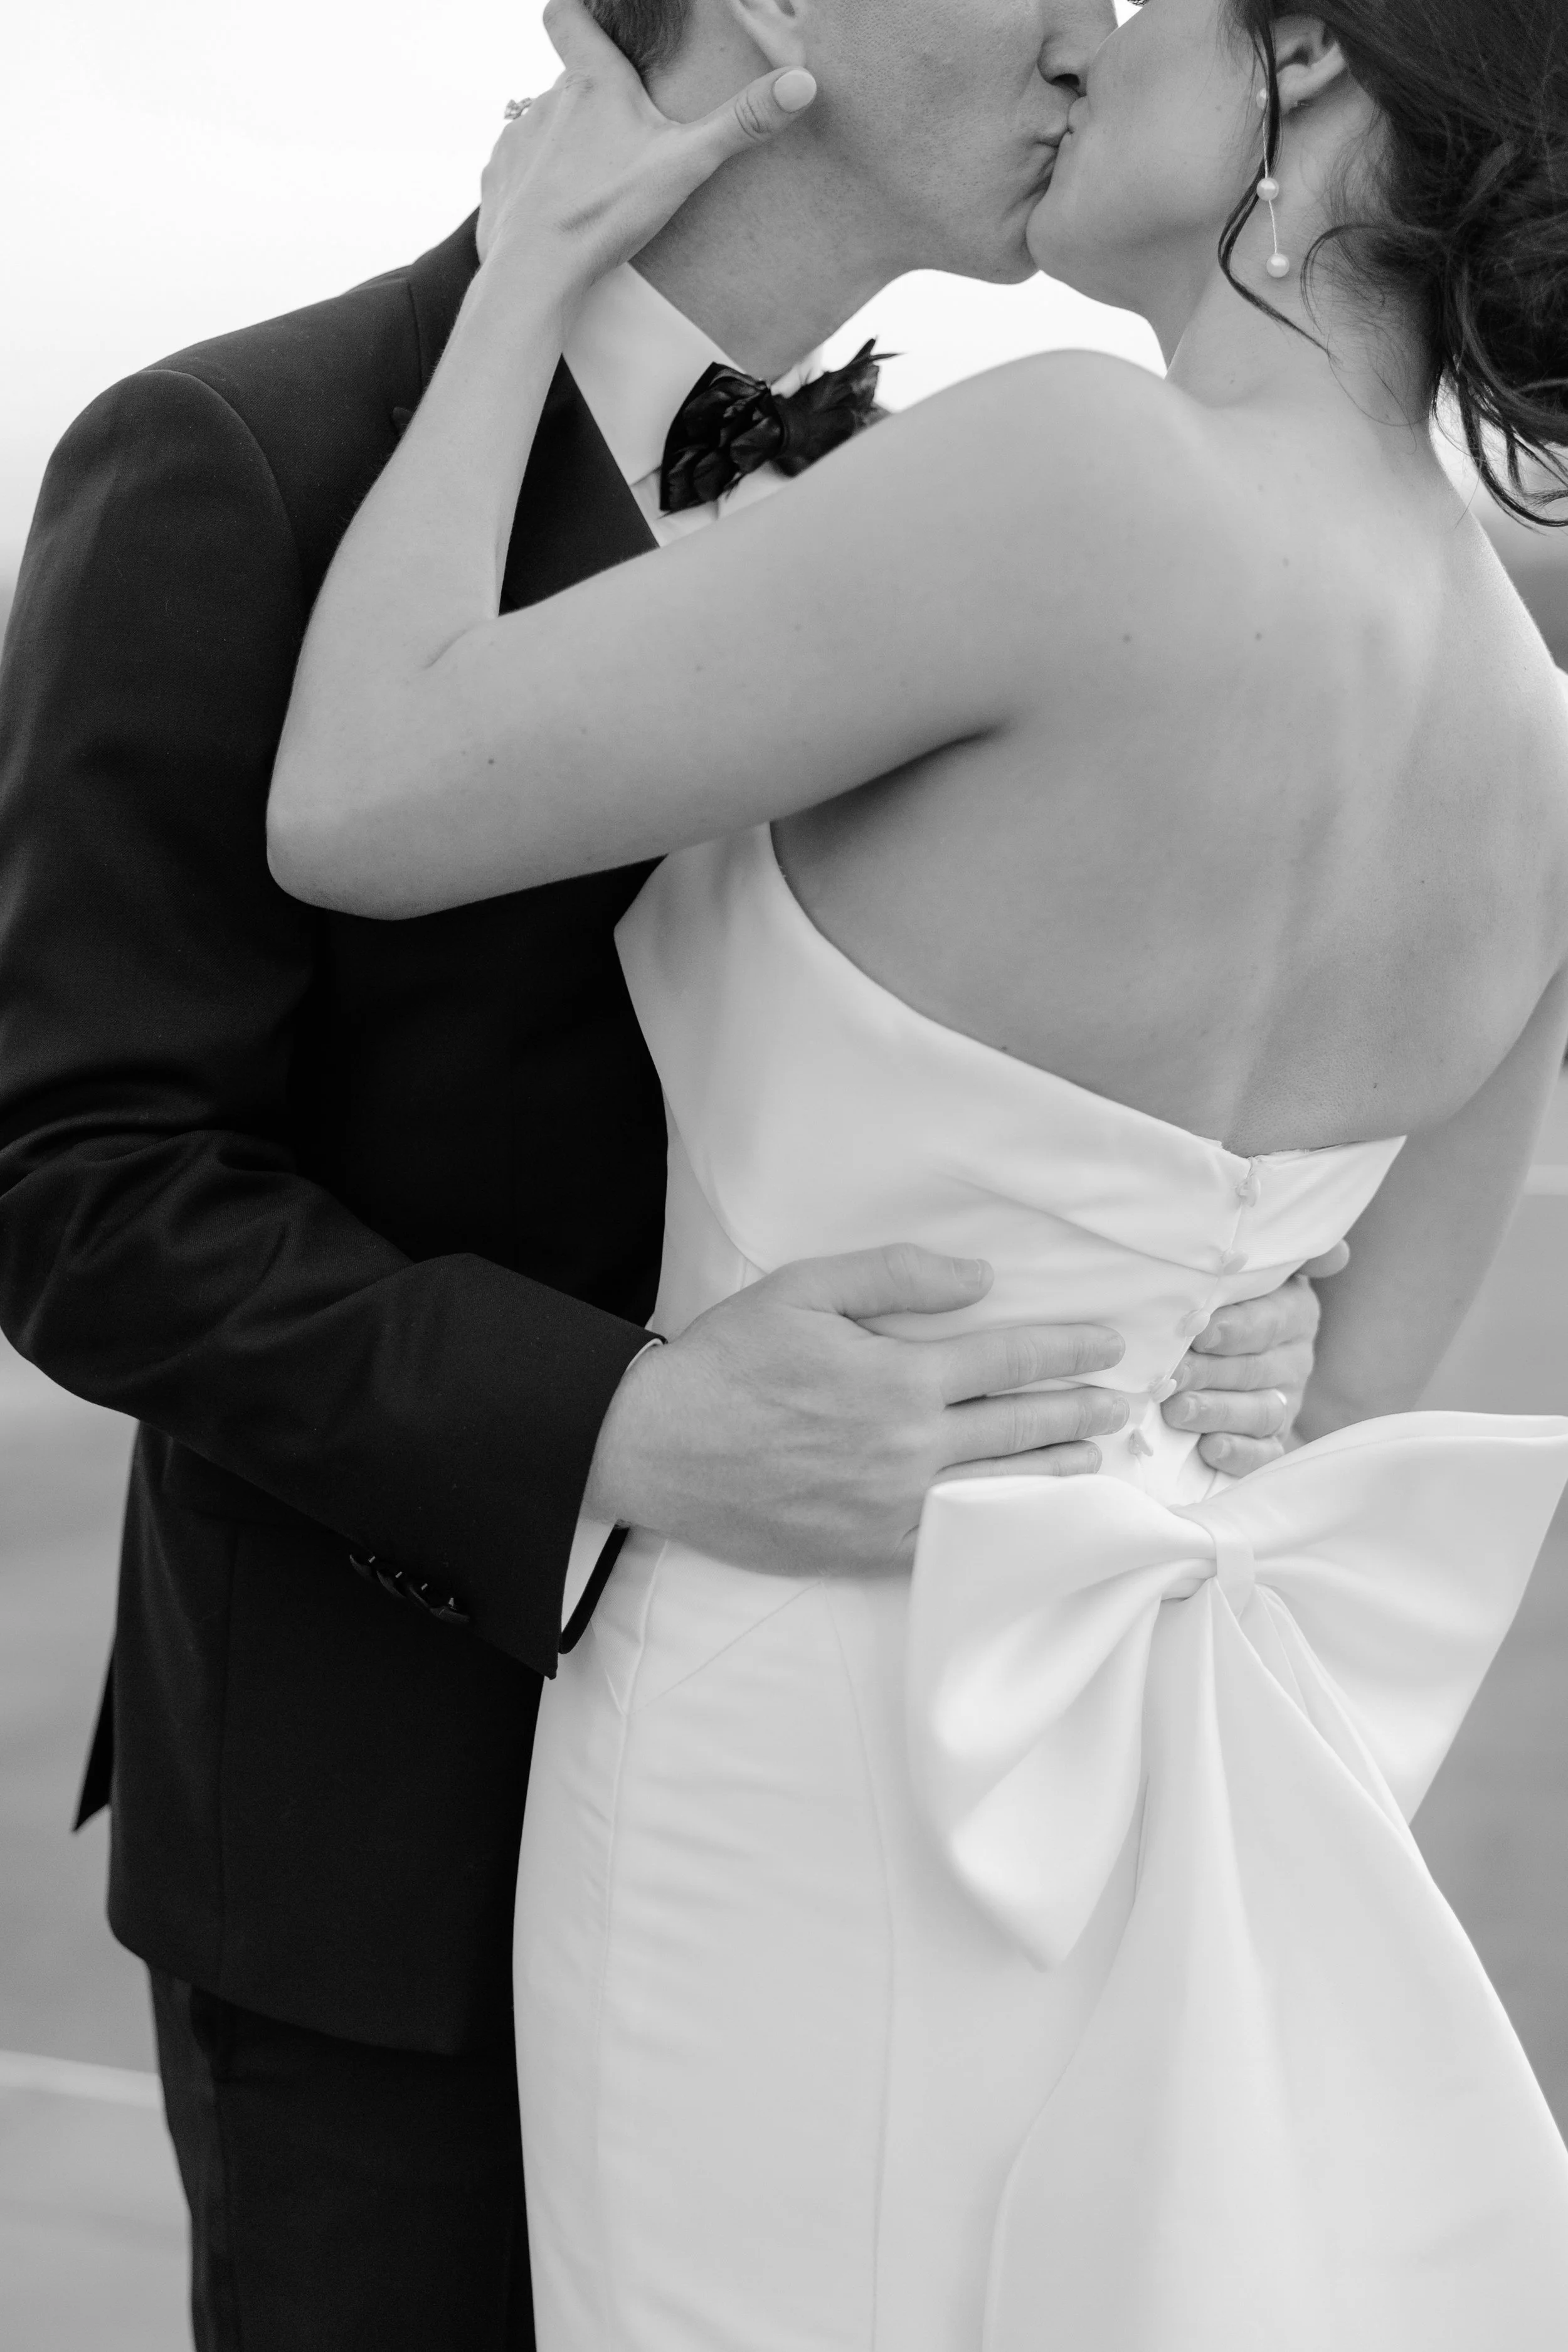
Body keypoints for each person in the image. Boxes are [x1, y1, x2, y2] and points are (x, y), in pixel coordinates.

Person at [0, 0, 1334, 2344]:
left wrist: (1209, 1288)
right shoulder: (237, 452)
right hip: (383, 1874)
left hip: (861, 1834)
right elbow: (76, 1179)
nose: (1091, 30)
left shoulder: (969, 518)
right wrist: (622, 1421)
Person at [267, 0, 1568, 2341]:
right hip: (1159, 1771)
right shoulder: (1539, 740)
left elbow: (357, 795)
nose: (1095, 41)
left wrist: (517, 284)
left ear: (1314, 78)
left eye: (1165, 8)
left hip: (797, 1706)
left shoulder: (1074, 472)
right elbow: (1346, 1380)